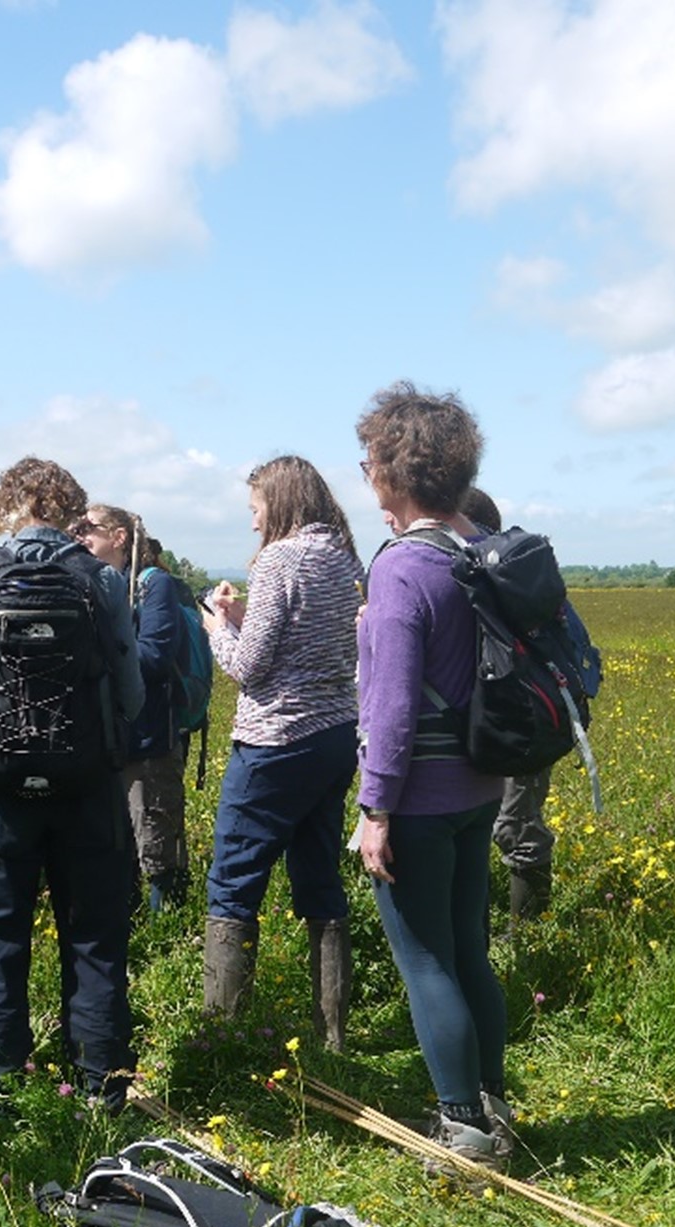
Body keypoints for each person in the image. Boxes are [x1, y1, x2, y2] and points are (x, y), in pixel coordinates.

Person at [0, 456, 144, 1117]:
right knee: (95, 935)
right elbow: (130, 695)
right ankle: (102, 1087)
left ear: (6, 506)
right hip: (86, 790)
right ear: (70, 507)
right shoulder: (100, 580)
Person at [352, 381, 513, 1172]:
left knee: (428, 963)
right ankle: (493, 1101)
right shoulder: (476, 551)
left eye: (368, 461)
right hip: (480, 787)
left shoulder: (400, 569)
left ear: (390, 470)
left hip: (415, 797)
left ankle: (463, 1132)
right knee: (470, 951)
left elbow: (387, 707)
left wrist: (374, 806)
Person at [196, 457, 364, 1052]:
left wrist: (217, 626)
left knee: (233, 883)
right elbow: (305, 640)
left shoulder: (280, 558)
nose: (253, 523)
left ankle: (222, 1039)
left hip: (274, 741)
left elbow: (248, 667)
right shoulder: (343, 556)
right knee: (319, 877)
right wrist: (245, 617)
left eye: (256, 508)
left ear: (281, 501)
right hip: (335, 733)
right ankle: (332, 1036)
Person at [456, 486, 599, 924]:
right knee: (509, 822)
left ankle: (529, 936)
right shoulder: (520, 571)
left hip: (519, 716)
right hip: (532, 716)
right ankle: (503, 929)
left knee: (515, 825)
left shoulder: (491, 573)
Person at [75, 504, 192, 911]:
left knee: (155, 840)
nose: (79, 536)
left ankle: (167, 935)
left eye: (88, 528)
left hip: (149, 736)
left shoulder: (152, 584)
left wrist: (92, 658)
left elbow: (156, 656)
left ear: (119, 537)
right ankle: (130, 924)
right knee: (114, 840)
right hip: (109, 736)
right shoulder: (94, 583)